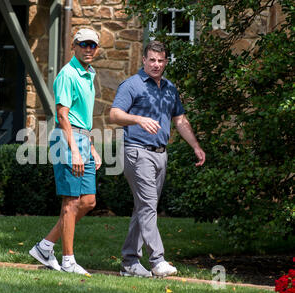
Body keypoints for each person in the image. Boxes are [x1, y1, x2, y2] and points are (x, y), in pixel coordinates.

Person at [109, 41, 206, 277]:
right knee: (148, 206)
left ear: (166, 62)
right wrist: (138, 119)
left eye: (160, 60)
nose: (156, 64)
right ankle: (157, 260)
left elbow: (180, 120)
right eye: (152, 59)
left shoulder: (170, 88)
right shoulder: (131, 85)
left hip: (160, 154)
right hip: (137, 151)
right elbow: (114, 114)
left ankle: (130, 262)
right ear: (144, 60)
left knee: (144, 208)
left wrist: (195, 146)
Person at [29, 29, 102, 275]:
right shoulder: (67, 74)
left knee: (88, 201)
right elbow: (62, 115)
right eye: (84, 45)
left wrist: (91, 147)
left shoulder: (90, 74)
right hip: (67, 141)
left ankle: (45, 246)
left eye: (93, 45)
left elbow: (82, 117)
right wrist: (75, 151)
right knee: (71, 203)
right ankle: (68, 261)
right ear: (74, 46)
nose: (89, 49)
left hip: (83, 139)